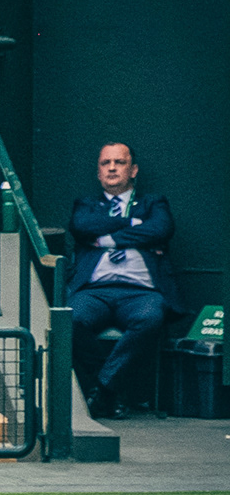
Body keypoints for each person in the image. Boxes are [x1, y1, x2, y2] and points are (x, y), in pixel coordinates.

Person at [68, 143, 181, 417]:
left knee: (150, 318)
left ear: (133, 170)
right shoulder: (86, 205)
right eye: (105, 163)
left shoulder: (153, 203)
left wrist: (105, 239)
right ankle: (107, 387)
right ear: (98, 172)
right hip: (95, 291)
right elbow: (82, 227)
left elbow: (161, 228)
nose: (112, 168)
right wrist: (133, 224)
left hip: (141, 292)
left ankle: (103, 389)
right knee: (71, 318)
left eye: (119, 162)